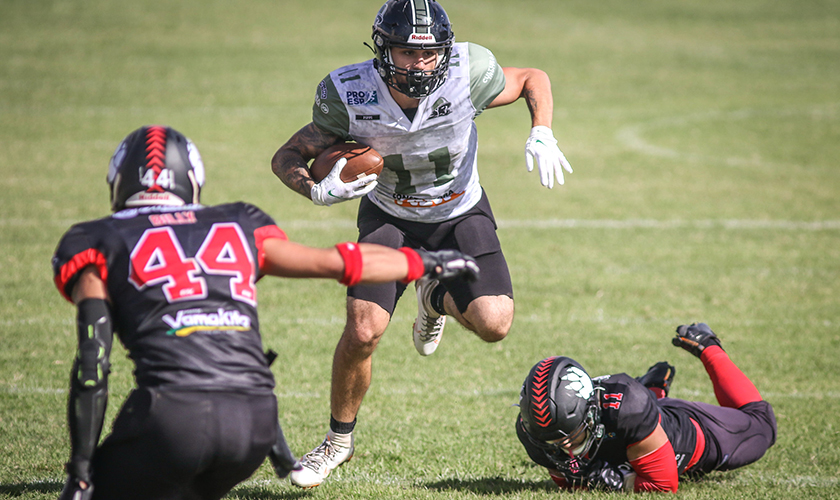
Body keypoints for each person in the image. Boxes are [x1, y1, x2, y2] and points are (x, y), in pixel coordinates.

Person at [53, 125, 479, 500]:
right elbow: (339, 261)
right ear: (192, 179)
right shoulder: (238, 225)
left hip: (170, 418)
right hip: (252, 425)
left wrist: (80, 473)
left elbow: (92, 365)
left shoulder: (98, 240)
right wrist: (426, 264)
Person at [270, 0, 573, 487]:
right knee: (365, 330)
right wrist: (315, 188)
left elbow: (532, 77)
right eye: (408, 53)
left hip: (459, 212)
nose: (421, 63)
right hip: (390, 214)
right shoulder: (348, 92)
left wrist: (542, 131)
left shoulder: (468, 72)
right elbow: (287, 154)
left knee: (495, 324)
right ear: (383, 50)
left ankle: (432, 296)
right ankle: (337, 441)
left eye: (430, 53)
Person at [516, 323, 777, 492]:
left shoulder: (628, 407)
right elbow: (569, 485)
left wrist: (619, 482)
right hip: (637, 419)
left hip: (687, 432)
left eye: (572, 438)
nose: (565, 450)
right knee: (633, 416)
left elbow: (664, 484)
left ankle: (707, 345)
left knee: (763, 426)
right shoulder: (534, 429)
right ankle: (653, 390)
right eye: (552, 442)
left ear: (592, 412)